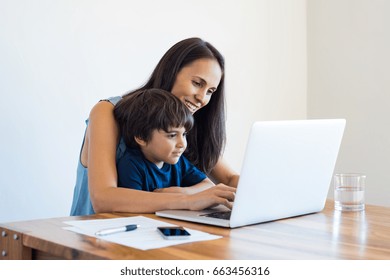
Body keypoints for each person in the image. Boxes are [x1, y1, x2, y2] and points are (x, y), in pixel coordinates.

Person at [70, 37, 239, 216]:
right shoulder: (107, 111)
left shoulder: (187, 125)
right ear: (171, 72)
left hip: (149, 235)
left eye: (210, 92)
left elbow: (228, 179)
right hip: (94, 236)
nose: (202, 98)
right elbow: (103, 199)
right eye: (197, 83)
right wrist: (189, 200)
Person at [115, 88, 214, 193]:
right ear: (141, 137)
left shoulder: (178, 162)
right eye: (172, 135)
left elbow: (208, 185)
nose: (182, 144)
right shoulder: (131, 165)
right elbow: (132, 204)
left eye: (184, 134)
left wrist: (181, 193)